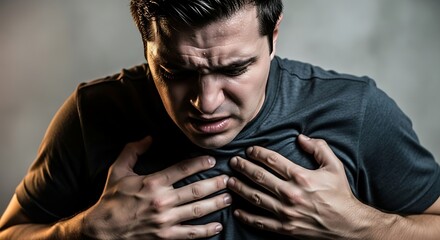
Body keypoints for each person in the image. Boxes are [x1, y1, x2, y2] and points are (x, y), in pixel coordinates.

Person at [1, 0, 439, 239]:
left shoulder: (356, 110)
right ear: (146, 45)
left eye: (234, 69)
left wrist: (362, 228)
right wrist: (84, 234)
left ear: (274, 36)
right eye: (176, 72)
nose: (206, 103)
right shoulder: (92, 114)